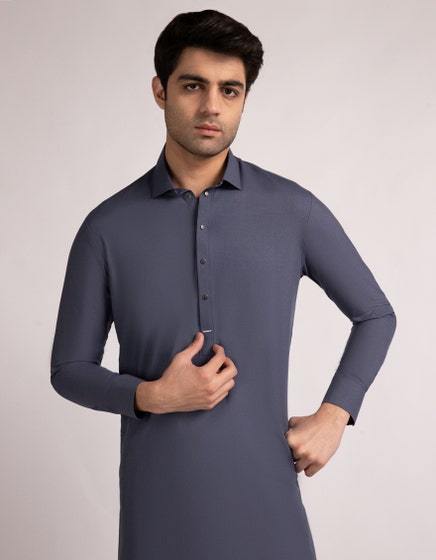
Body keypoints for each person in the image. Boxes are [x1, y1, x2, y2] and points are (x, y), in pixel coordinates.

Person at [51, 9, 396, 560]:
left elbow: (376, 314)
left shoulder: (293, 210)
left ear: (243, 99)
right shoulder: (107, 227)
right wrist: (152, 395)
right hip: (158, 511)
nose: (212, 106)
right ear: (161, 91)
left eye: (230, 90)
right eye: (193, 86)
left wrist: (335, 414)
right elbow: (69, 369)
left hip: (269, 505)